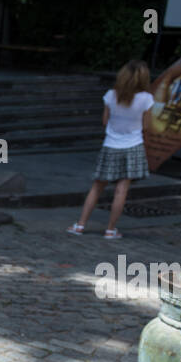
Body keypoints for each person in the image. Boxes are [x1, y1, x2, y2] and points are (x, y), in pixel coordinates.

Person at [69, 59, 155, 240]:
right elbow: (146, 126)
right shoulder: (146, 99)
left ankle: (80, 224)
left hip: (111, 144)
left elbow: (104, 121)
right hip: (133, 145)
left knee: (96, 187)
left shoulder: (110, 95)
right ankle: (110, 229)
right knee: (121, 190)